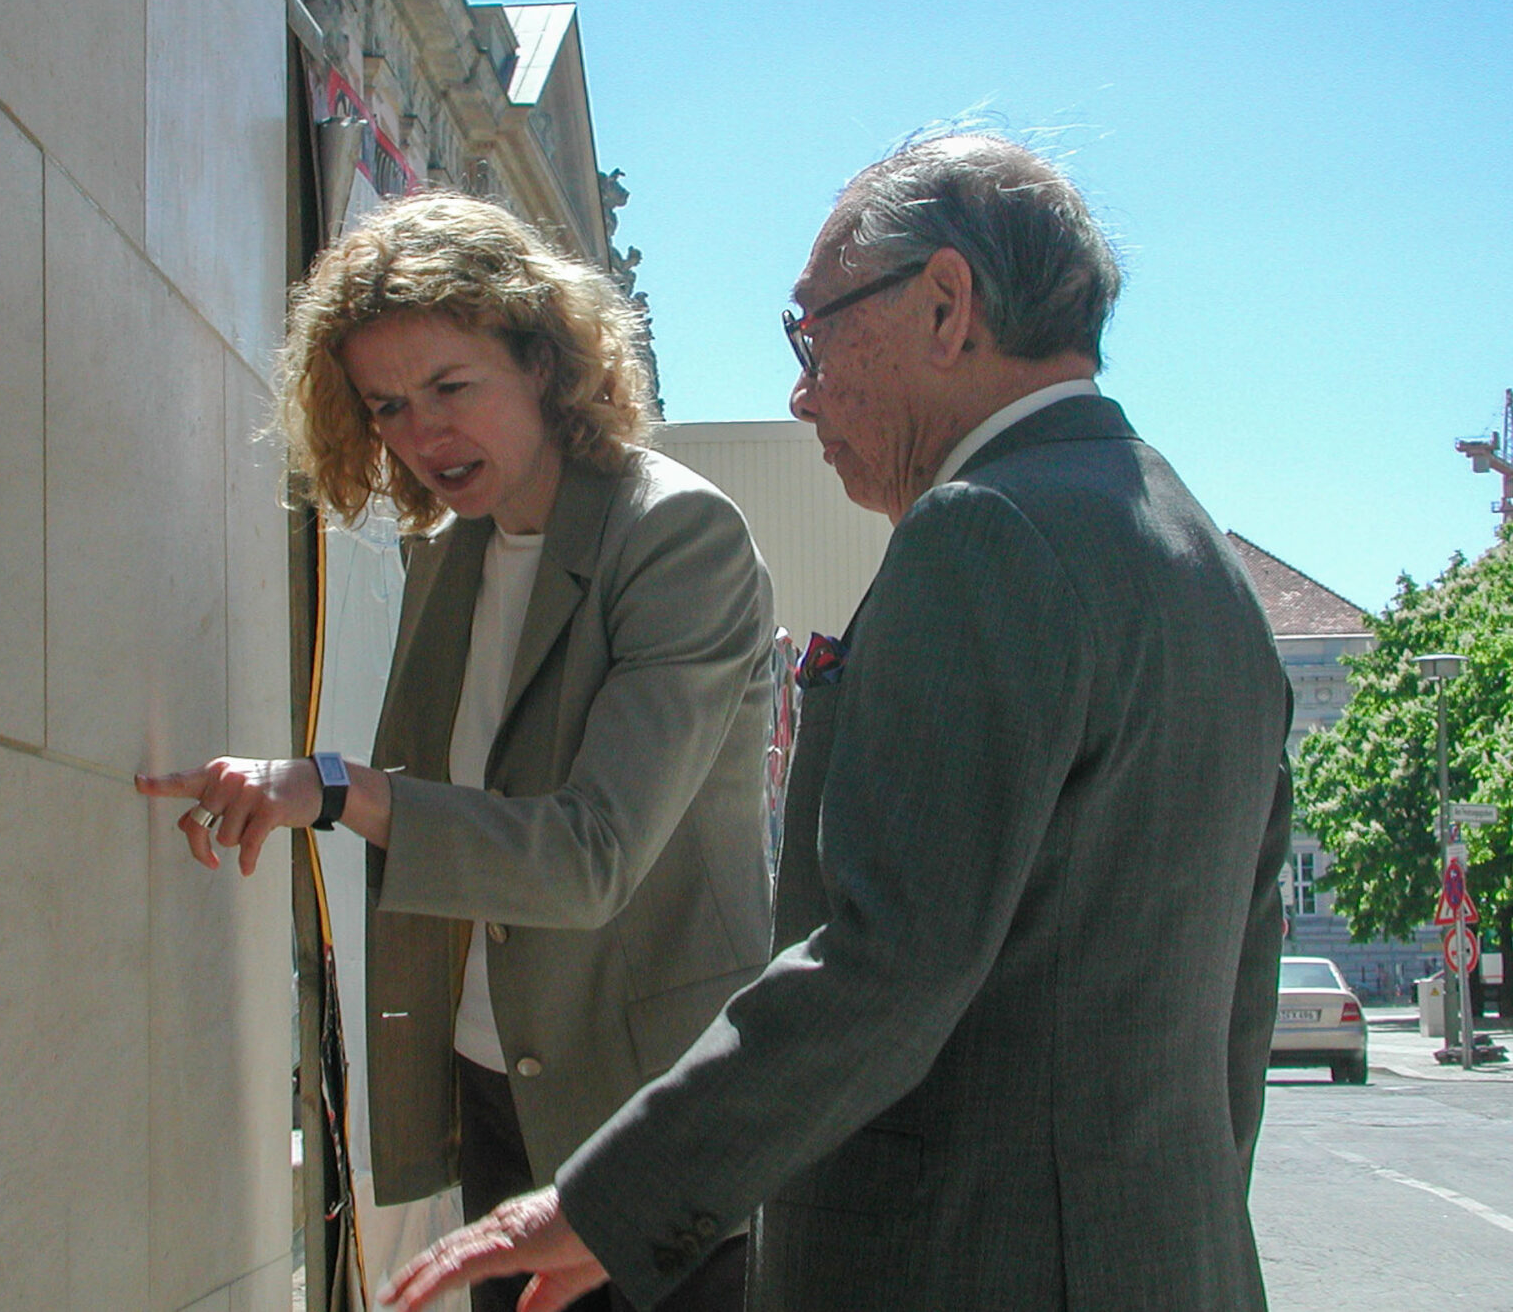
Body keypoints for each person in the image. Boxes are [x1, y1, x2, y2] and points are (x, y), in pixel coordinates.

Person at [381, 132, 1295, 1312]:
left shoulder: (982, 536)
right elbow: (1237, 995)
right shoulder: (1198, 552)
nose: (800, 390)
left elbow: (882, 961)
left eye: (812, 332)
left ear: (945, 304)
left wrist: (609, 1200)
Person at [137, 192, 774, 1312]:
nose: (422, 435)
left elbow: (587, 860)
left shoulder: (677, 535)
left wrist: (339, 790)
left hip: (654, 1115)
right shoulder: (450, 553)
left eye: (449, 388)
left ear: (544, 360)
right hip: (491, 1089)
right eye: (386, 405)